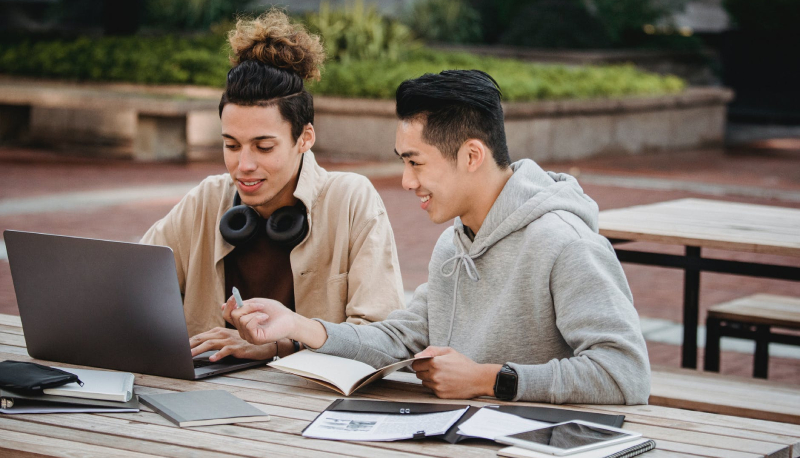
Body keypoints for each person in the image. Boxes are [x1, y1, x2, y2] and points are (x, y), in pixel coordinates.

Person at [227, 70, 651, 404]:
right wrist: (298, 326)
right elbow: (399, 339)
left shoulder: (566, 244)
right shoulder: (454, 244)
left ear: (471, 155)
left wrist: (489, 379)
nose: (407, 181)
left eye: (415, 163)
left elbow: (625, 374)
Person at [141, 11, 404, 363]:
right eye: (231, 145)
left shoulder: (351, 200)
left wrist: (280, 345)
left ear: (305, 138)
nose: (243, 165)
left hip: (306, 395)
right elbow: (129, 287)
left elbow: (383, 342)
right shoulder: (206, 199)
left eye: (264, 147)